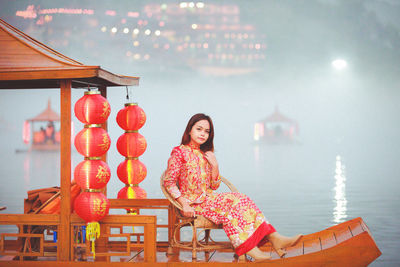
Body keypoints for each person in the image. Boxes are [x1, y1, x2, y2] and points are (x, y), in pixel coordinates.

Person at [164, 113, 302, 262]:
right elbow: (169, 182)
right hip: (192, 204)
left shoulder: (206, 155)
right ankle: (249, 247)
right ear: (189, 130)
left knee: (242, 199)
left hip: (209, 199)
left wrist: (215, 166)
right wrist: (184, 203)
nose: (203, 134)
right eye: (199, 129)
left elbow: (214, 186)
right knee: (231, 210)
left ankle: (274, 237)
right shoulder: (179, 152)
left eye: (207, 131)